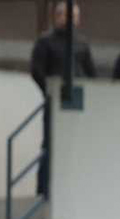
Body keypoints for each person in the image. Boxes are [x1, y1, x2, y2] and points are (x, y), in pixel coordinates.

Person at [30, 2, 96, 196]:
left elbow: (91, 74)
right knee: (50, 146)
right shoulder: (45, 41)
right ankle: (44, 193)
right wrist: (50, 93)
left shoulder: (82, 43)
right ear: (56, 17)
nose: (69, 20)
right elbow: (37, 71)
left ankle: (75, 189)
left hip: (78, 104)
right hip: (55, 104)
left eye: (73, 16)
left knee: (78, 146)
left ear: (78, 19)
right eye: (65, 16)